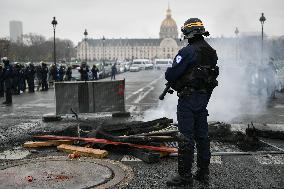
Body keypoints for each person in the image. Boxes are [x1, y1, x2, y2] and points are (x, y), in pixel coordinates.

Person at [165, 18, 219, 187]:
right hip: (203, 98)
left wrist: (171, 74)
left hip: (188, 99)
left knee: (186, 137)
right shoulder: (211, 52)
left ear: (188, 33)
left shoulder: (186, 52)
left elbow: (172, 75)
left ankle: (185, 176)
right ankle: (203, 173)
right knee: (202, 136)